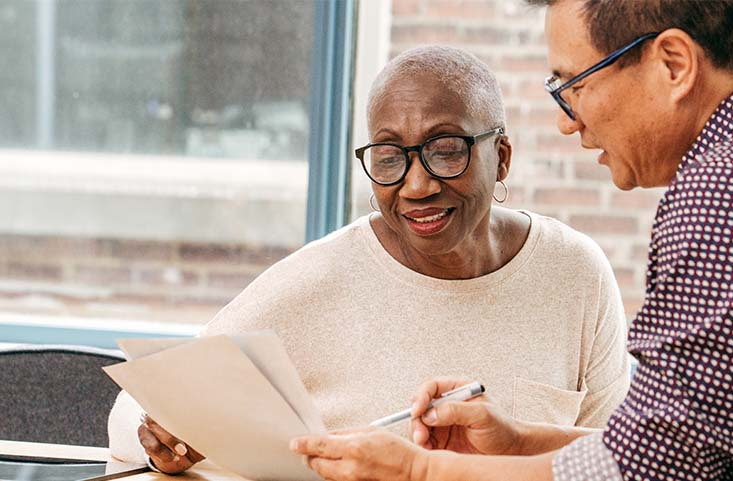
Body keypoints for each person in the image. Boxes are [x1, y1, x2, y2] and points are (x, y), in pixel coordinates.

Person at [108, 45, 630, 474]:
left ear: (502, 158)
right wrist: (168, 440)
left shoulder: (575, 274)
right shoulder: (317, 280)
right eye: (389, 156)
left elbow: (619, 461)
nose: (417, 185)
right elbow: (140, 406)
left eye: (446, 149)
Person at [290, 1, 733, 480]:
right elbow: (688, 442)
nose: (568, 121)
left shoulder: (721, 191)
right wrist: (521, 442)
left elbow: (654, 467)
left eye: (577, 84)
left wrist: (420, 471)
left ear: (673, 64)